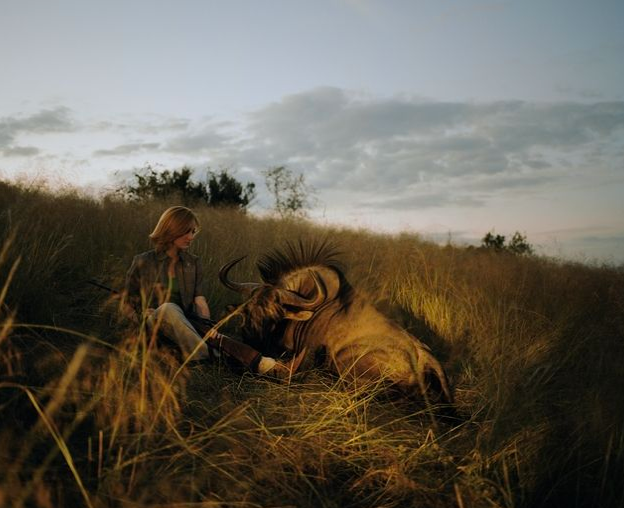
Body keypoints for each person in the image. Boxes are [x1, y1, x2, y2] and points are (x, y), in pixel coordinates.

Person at [124, 205, 278, 374]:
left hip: (188, 323)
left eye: (193, 232)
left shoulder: (192, 262)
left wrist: (207, 324)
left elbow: (200, 300)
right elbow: (126, 304)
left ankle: (262, 365)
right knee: (168, 308)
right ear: (171, 230)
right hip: (153, 327)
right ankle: (213, 358)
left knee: (216, 336)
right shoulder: (143, 261)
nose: (191, 237)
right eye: (187, 232)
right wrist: (139, 317)